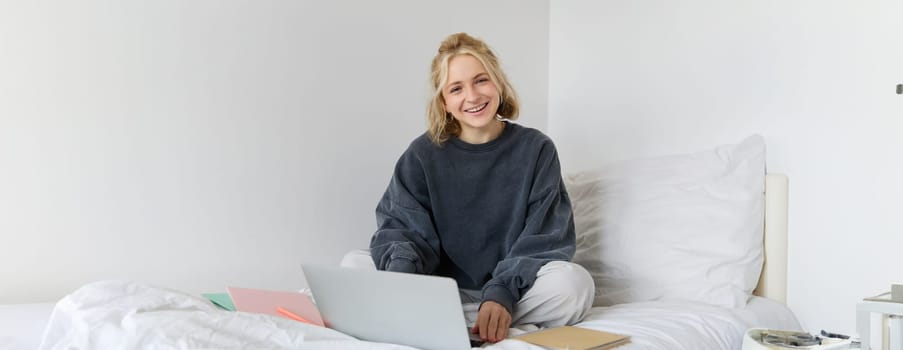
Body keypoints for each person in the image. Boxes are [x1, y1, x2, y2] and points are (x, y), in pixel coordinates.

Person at [342, 32, 594, 344]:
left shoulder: (536, 149)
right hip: (438, 288)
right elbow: (401, 229)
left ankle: (449, 319)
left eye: (481, 81)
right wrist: (403, 281)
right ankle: (479, 322)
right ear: (444, 102)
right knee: (353, 264)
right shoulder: (421, 155)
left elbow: (544, 239)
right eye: (456, 88)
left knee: (575, 285)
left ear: (498, 83)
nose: (472, 97)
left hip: (513, 289)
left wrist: (500, 293)